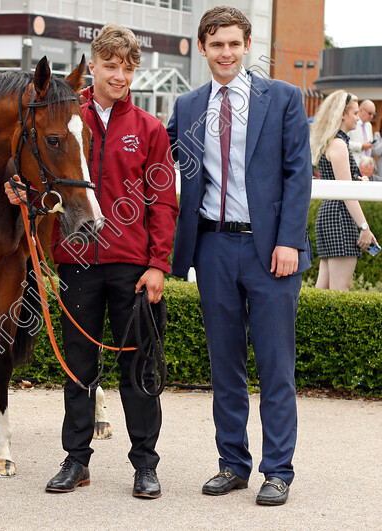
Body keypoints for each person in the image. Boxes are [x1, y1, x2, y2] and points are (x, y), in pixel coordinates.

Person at [4, 24, 177, 498]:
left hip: (132, 265)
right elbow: (33, 167)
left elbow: (163, 203)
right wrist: (17, 188)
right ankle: (76, 460)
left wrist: (158, 264)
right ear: (93, 65)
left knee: (139, 368)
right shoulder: (64, 115)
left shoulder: (149, 129)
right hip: (75, 260)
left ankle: (145, 463)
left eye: (127, 67)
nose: (118, 75)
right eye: (110, 65)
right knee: (79, 366)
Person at [167, 6, 312, 506]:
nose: (225, 52)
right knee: (224, 363)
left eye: (233, 43)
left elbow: (299, 174)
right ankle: (232, 463)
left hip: (270, 249)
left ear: (246, 45)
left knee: (275, 365)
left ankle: (278, 470)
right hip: (211, 247)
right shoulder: (187, 106)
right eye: (216, 44)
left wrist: (289, 240)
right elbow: (158, 167)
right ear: (203, 48)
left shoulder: (285, 98)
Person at [312, 91, 378, 291]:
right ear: (343, 114)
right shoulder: (339, 145)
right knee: (340, 291)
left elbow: (343, 185)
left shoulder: (331, 142)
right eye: (356, 113)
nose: (359, 118)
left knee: (323, 291)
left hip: (329, 213)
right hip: (340, 216)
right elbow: (347, 193)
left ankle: (307, 323)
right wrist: (364, 227)